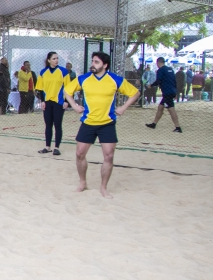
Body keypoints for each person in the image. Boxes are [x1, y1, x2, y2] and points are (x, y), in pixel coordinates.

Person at [65, 51, 140, 199]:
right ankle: (83, 183)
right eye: (92, 61)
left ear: (105, 65)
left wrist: (123, 107)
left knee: (109, 156)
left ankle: (103, 188)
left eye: (96, 62)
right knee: (79, 154)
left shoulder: (114, 79)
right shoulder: (84, 78)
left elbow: (135, 93)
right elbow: (67, 91)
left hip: (107, 123)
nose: (93, 64)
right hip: (88, 122)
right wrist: (74, 105)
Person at [36, 52, 70, 156]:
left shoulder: (63, 71)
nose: (56, 60)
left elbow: (68, 88)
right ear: (49, 60)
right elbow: (40, 88)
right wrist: (42, 101)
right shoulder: (43, 72)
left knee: (57, 125)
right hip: (47, 102)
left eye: (57, 58)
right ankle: (47, 147)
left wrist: (66, 101)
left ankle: (56, 147)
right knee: (48, 125)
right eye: (54, 58)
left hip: (59, 102)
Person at [145, 57, 182, 133]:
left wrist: (151, 85)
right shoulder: (170, 69)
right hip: (171, 91)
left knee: (171, 109)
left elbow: (158, 81)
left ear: (158, 62)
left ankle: (178, 127)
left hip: (167, 93)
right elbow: (175, 81)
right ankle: (154, 124)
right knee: (160, 107)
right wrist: (175, 92)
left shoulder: (161, 70)